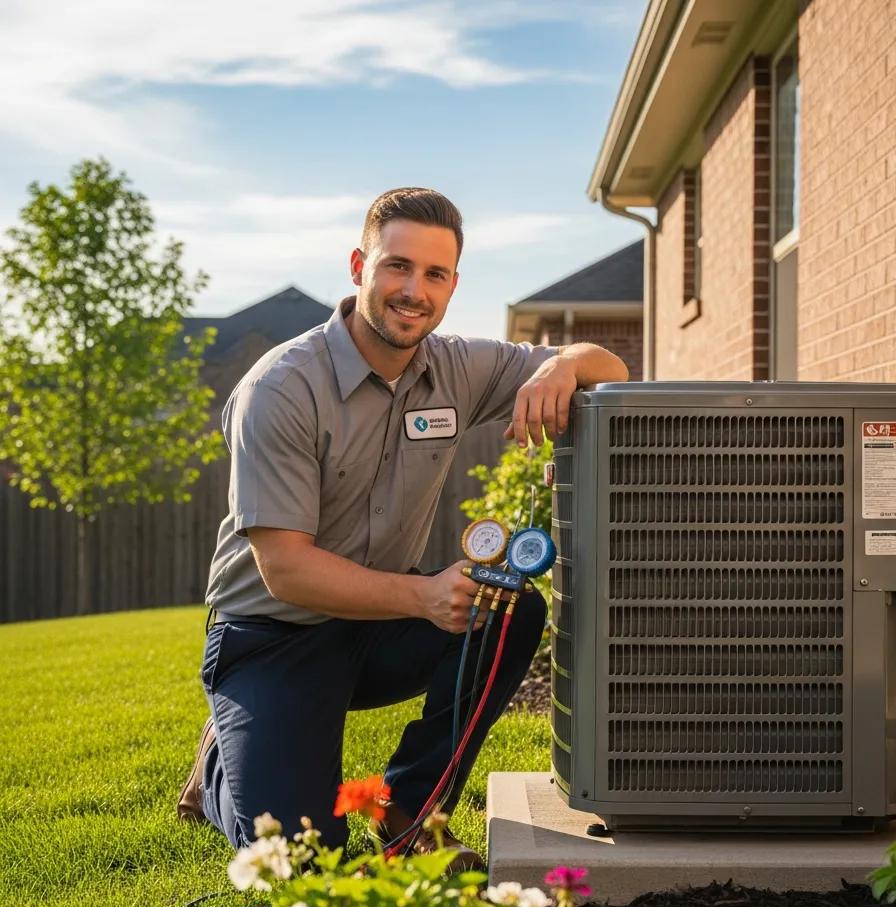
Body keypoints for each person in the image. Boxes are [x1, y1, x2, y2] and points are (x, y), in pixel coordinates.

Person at [178, 187, 628, 866]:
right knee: (301, 859)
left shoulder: (456, 367)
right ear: (360, 265)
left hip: (375, 631)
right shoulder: (282, 389)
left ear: (451, 285)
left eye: (435, 273)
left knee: (509, 610)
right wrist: (423, 596)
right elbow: (287, 569)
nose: (414, 290)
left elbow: (611, 366)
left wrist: (562, 367)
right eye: (397, 266)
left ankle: (409, 812)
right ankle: (221, 761)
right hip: (272, 637)